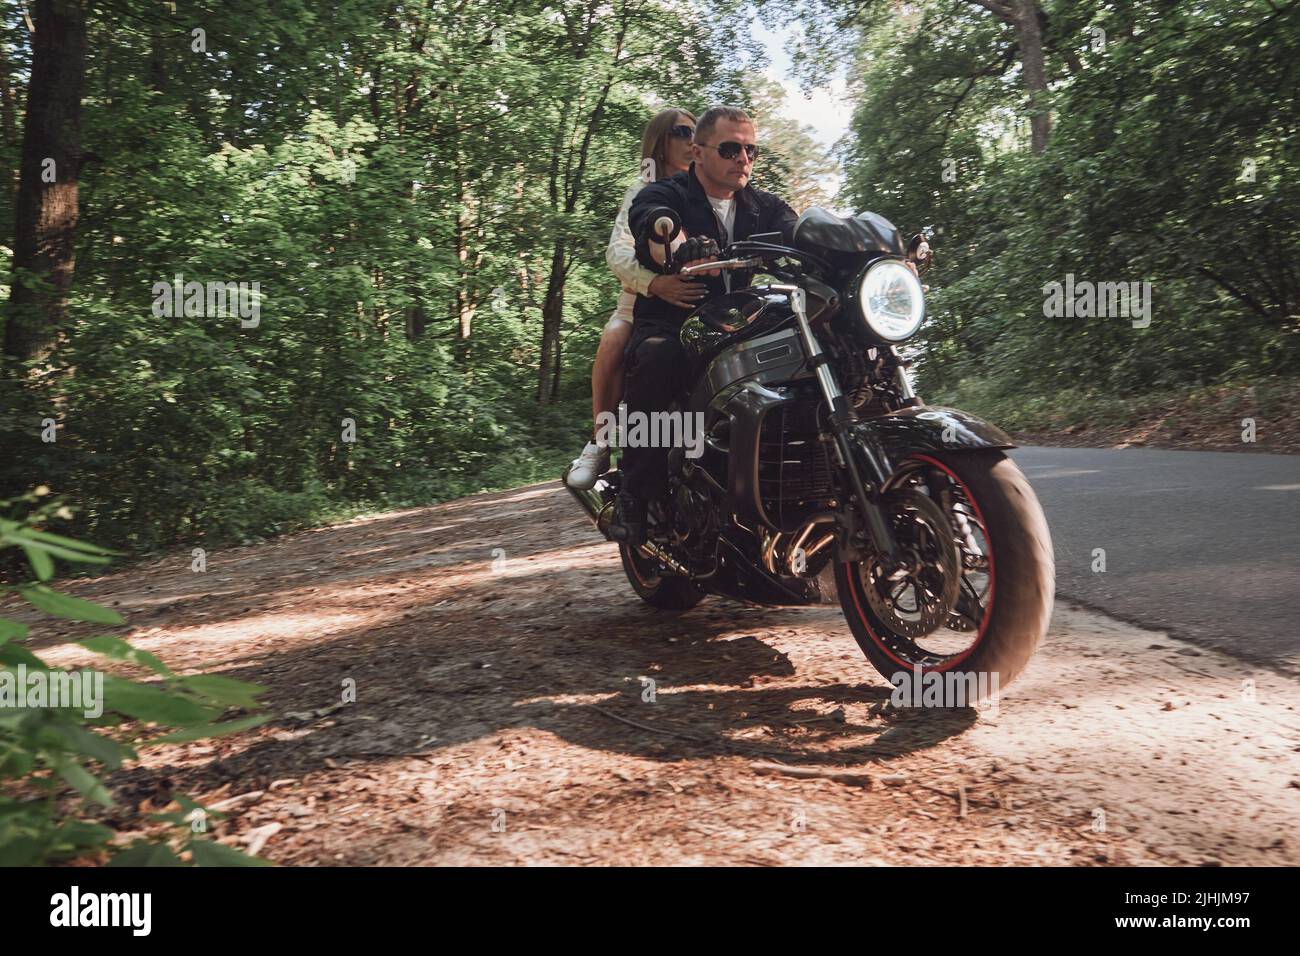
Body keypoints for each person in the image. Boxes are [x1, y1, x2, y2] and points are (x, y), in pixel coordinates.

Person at [611, 106, 799, 545]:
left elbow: (796, 227)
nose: (744, 159)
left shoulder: (760, 205)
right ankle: (638, 495)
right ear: (697, 152)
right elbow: (651, 218)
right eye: (731, 149)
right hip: (675, 321)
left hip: (736, 323)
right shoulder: (667, 193)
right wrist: (673, 239)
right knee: (658, 356)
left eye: (751, 150)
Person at [566, 108, 706, 490]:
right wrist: (654, 284)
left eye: (697, 133)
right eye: (681, 132)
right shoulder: (642, 192)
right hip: (641, 302)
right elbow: (618, 251)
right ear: (660, 143)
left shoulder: (711, 189)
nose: (691, 140)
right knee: (613, 339)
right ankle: (601, 442)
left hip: (706, 302)